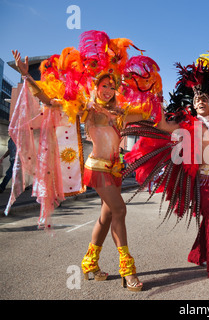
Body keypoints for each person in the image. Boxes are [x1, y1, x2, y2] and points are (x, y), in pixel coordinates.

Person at [12, 31, 162, 292]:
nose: (107, 90)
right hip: (97, 168)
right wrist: (27, 76)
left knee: (106, 217)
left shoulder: (121, 113)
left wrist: (153, 93)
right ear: (96, 87)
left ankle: (90, 262)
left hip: (115, 169)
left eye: (112, 86)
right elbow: (49, 101)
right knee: (120, 211)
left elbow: (153, 116)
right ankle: (128, 271)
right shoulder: (88, 109)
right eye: (103, 86)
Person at [124, 61, 209, 283]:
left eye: (205, 98)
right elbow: (162, 126)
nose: (201, 101)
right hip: (205, 178)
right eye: (197, 99)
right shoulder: (187, 124)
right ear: (192, 104)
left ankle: (200, 253)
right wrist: (157, 99)